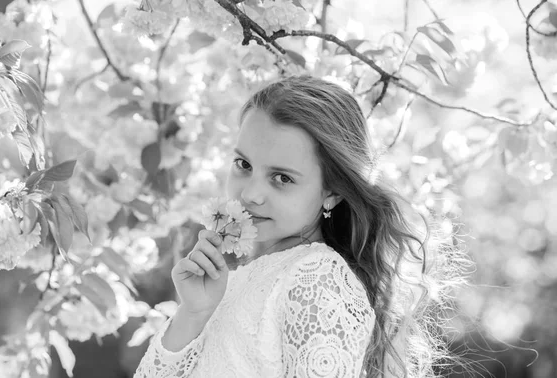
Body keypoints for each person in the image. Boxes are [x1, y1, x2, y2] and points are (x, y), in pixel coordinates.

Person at [134, 75, 464, 377]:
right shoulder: (234, 281)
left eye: (282, 178)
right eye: (243, 164)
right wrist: (194, 313)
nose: (250, 194)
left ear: (332, 193)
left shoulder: (317, 278)